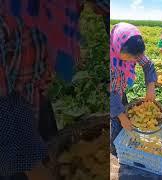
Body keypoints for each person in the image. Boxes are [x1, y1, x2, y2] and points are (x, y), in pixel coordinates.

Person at [0, 0, 108, 179]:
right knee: (20, 170)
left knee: (50, 146)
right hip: (7, 120)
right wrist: (33, 167)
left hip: (34, 96)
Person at [110, 22, 157, 154]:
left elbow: (148, 65)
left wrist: (151, 86)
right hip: (110, 92)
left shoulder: (134, 51)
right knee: (116, 119)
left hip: (119, 87)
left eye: (135, 57)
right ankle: (114, 147)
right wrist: (121, 116)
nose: (132, 60)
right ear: (118, 46)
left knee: (123, 106)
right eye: (129, 57)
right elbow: (111, 94)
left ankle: (125, 133)